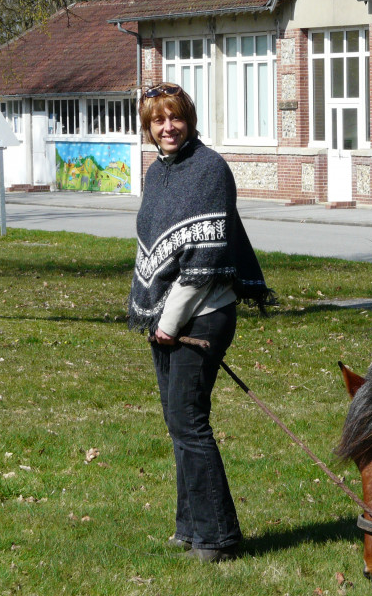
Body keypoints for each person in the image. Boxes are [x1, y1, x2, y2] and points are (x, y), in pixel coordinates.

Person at [128, 82, 272, 563]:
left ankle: (217, 538)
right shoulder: (158, 173)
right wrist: (152, 312)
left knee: (189, 421)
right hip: (165, 316)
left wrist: (167, 322)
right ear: (148, 128)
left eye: (175, 118)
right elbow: (153, 243)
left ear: (188, 119)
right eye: (157, 120)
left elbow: (204, 261)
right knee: (177, 422)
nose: (167, 128)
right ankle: (190, 527)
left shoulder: (210, 169)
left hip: (204, 313)